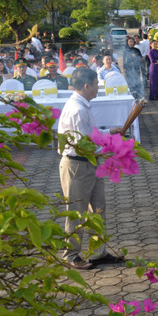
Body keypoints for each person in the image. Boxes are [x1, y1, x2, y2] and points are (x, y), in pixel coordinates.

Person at [57, 67, 125, 270]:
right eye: (96, 85)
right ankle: (70, 255)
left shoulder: (82, 105)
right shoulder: (77, 109)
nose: (98, 88)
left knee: (97, 209)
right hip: (77, 164)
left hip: (89, 163)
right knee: (76, 212)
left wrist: (110, 132)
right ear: (87, 86)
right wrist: (111, 148)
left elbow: (90, 135)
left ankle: (98, 252)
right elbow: (83, 145)